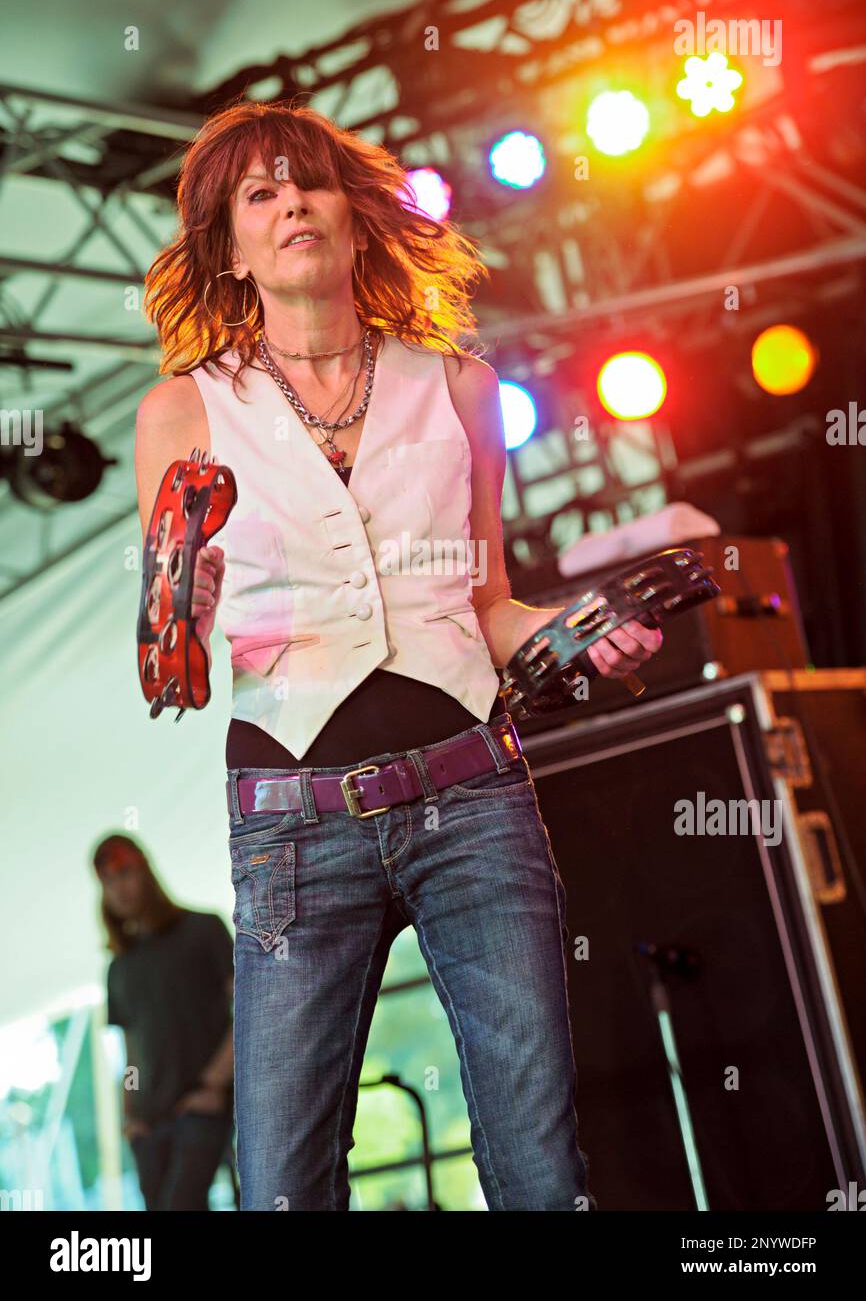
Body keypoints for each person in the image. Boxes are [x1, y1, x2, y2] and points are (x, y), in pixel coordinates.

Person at [134, 99, 663, 1211]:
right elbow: (169, 638)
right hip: (291, 819)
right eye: (260, 195)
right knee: (281, 1177)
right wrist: (183, 599)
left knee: (535, 1155)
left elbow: (486, 603)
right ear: (230, 248)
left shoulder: (458, 387)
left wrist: (576, 630)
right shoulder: (182, 413)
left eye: (308, 184)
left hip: (473, 798)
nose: (291, 207)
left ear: (354, 213)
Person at [94, 834, 235, 1210]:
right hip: (152, 1120)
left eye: (125, 873)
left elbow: (250, 1014)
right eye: (107, 881)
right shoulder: (119, 969)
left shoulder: (204, 929)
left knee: (180, 1203)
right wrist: (130, 1117)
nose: (118, 888)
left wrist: (213, 1085)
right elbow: (132, 1054)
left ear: (145, 871)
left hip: (210, 1104)